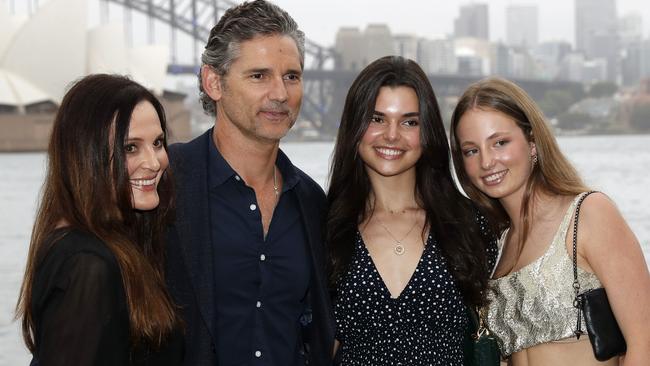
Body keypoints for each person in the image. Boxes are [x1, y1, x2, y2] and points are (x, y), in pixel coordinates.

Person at [164, 1, 334, 365]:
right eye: (259, 76)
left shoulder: (310, 201)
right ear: (214, 82)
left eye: (292, 76)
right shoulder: (166, 183)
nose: (280, 94)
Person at [449, 77, 650, 365]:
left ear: (532, 142)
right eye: (471, 150)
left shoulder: (588, 214)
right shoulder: (495, 243)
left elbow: (644, 343)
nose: (486, 162)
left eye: (500, 143)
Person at [326, 55, 497, 365]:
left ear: (428, 131)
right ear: (354, 126)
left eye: (409, 122)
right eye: (377, 119)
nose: (392, 135)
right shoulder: (325, 228)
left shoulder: (471, 224)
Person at [15, 74, 183, 365]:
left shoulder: (116, 242)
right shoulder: (88, 264)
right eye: (131, 147)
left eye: (157, 143)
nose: (155, 162)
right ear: (86, 154)